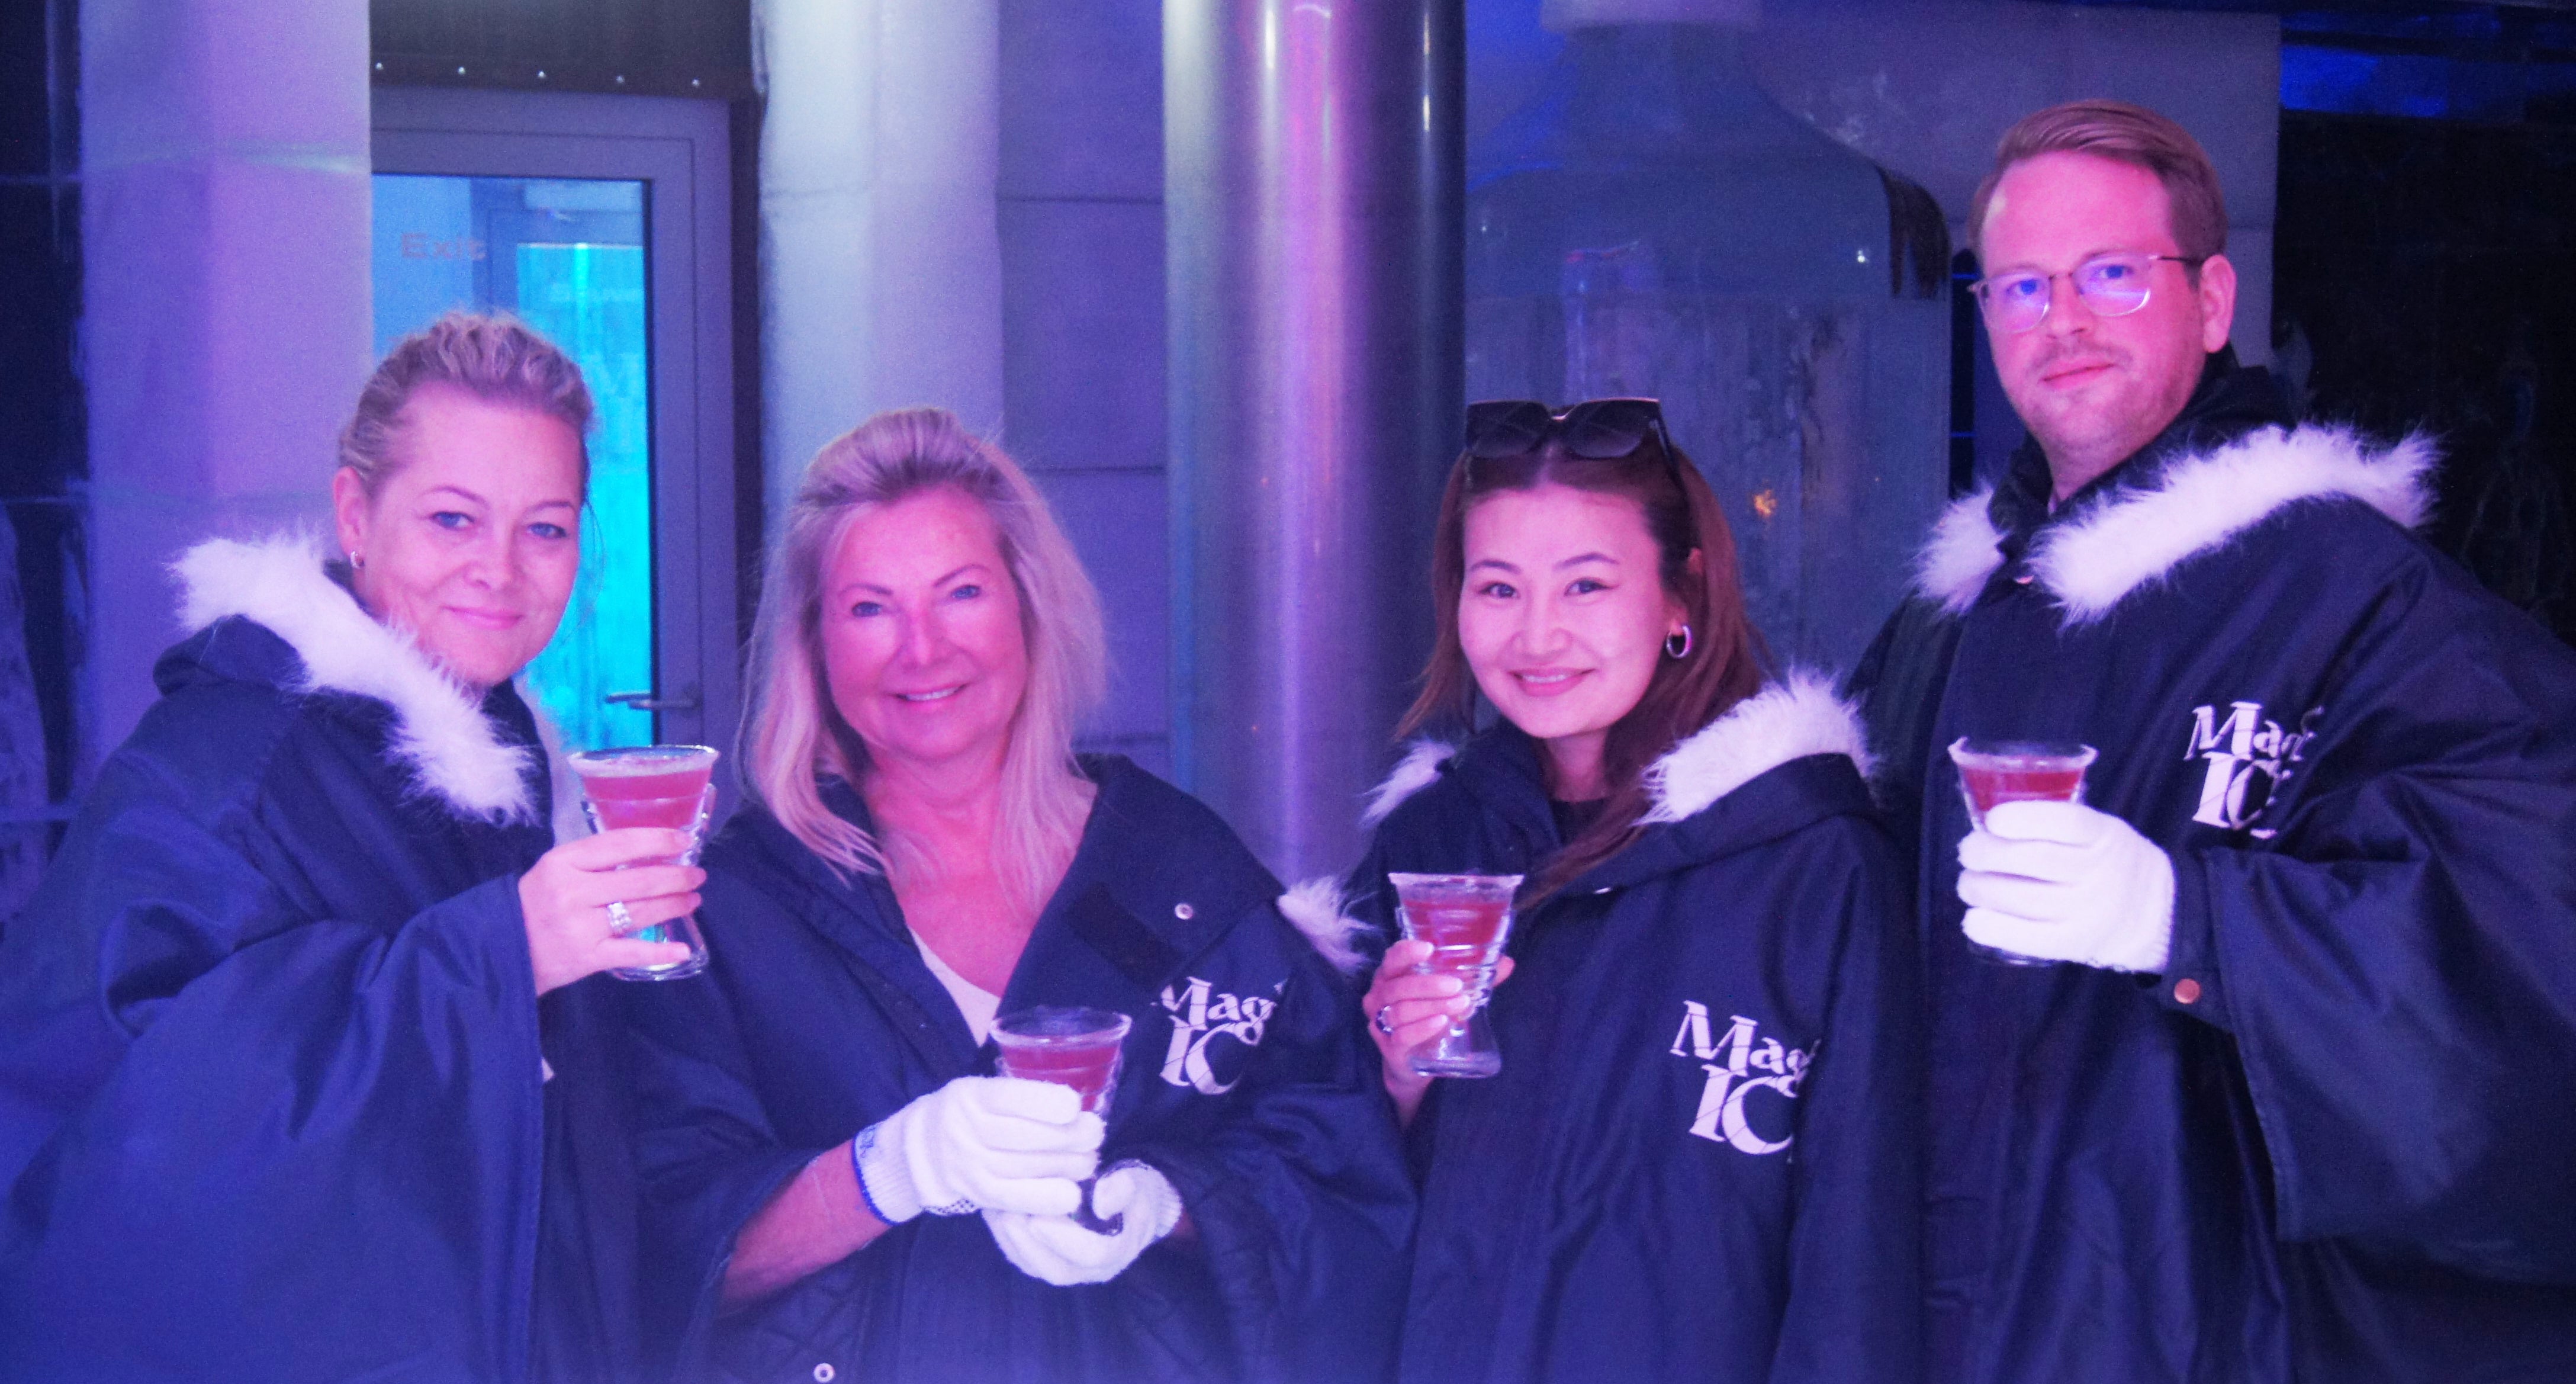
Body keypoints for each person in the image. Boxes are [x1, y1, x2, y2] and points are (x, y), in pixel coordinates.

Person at [1848, 99, 2576, 1382]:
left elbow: (2531, 926)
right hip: (1952, 1309)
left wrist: (2191, 921)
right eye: (2021, 285)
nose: (2060, 319)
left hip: (2217, 1326)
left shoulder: (2354, 594)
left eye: (2113, 273)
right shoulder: (1940, 619)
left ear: (2214, 297)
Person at [622, 407, 1411, 1384]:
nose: (922, 649)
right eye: (870, 607)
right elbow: (662, 1248)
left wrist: (1169, 1201)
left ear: (1029, 607)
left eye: (960, 593)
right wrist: (888, 1170)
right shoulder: (742, 907)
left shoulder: (1177, 874)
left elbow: (1340, 1169)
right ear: (813, 642)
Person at [0, 312, 699, 1382]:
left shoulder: (512, 761)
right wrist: (493, 961)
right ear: (355, 516)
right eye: (453, 519)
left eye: (546, 528)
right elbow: (115, 1146)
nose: (501, 572)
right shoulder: (226, 760)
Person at [1342, 399, 1919, 1384]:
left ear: (1682, 598)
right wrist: (1390, 1079)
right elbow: (1321, 1215)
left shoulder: (1807, 860)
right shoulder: (1432, 841)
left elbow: (1857, 1267)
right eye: (1498, 588)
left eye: (1587, 585)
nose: (1537, 634)